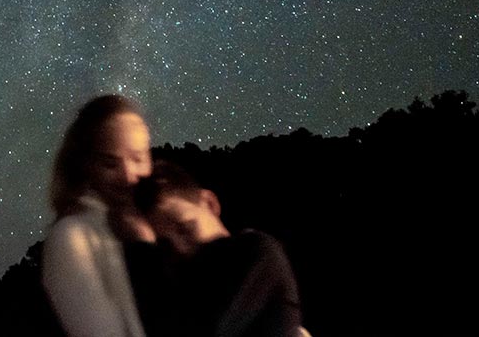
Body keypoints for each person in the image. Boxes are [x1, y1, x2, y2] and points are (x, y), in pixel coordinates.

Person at [132, 160, 308, 337]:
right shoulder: (180, 277)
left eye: (185, 228)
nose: (180, 248)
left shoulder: (257, 251)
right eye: (165, 244)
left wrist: (144, 248)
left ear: (209, 203)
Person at [42, 94, 155, 337]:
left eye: (138, 158)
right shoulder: (71, 238)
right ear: (87, 165)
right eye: (110, 164)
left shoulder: (151, 221)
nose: (128, 175)